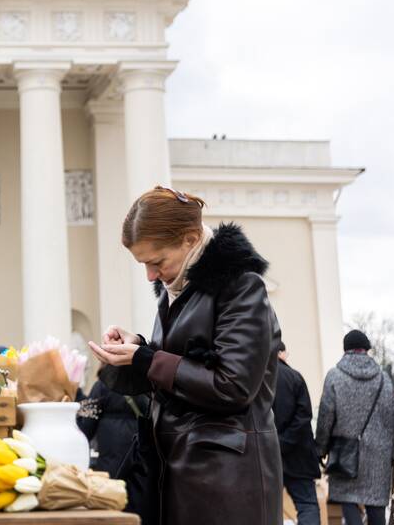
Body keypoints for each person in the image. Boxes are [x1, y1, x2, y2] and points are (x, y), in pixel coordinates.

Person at [88, 186, 282, 525]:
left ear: (190, 239)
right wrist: (137, 348)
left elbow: (232, 386)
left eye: (155, 261)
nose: (150, 275)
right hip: (184, 472)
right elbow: (180, 371)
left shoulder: (241, 287)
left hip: (227, 483)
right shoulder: (177, 290)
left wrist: (146, 359)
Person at [315, 330, 394, 525]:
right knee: (376, 506)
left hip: (345, 455)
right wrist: (390, 452)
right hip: (378, 457)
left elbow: (325, 417)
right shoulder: (384, 379)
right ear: (367, 350)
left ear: (346, 350)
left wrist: (320, 449)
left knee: (349, 502)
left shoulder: (334, 376)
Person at [273, 342, 322, 525]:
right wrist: (285, 441)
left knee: (266, 508)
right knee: (306, 504)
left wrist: (274, 443)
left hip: (266, 456)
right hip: (298, 456)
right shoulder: (295, 378)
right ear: (280, 353)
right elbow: (304, 416)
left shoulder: (256, 378)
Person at [77, 368, 150, 479]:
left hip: (110, 465)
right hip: (140, 462)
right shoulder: (149, 384)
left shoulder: (103, 385)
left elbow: (86, 427)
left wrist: (77, 394)